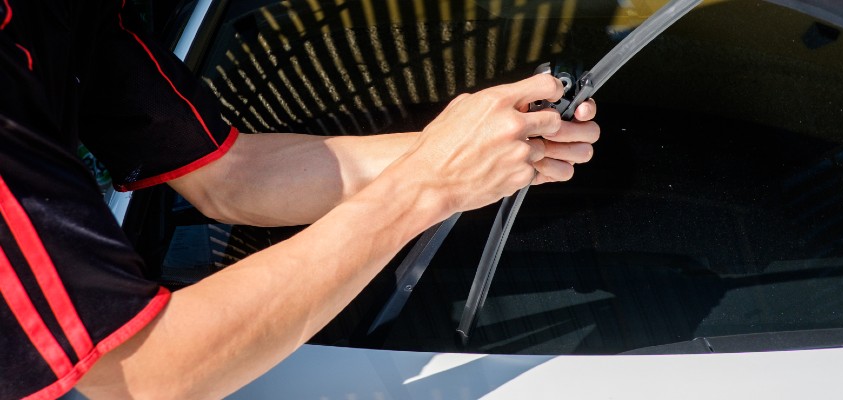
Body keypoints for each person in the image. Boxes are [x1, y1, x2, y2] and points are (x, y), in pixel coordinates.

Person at [0, 1, 599, 398]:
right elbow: (143, 371)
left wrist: (490, 143)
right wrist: (430, 184)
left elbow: (229, 176)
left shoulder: (62, 10)